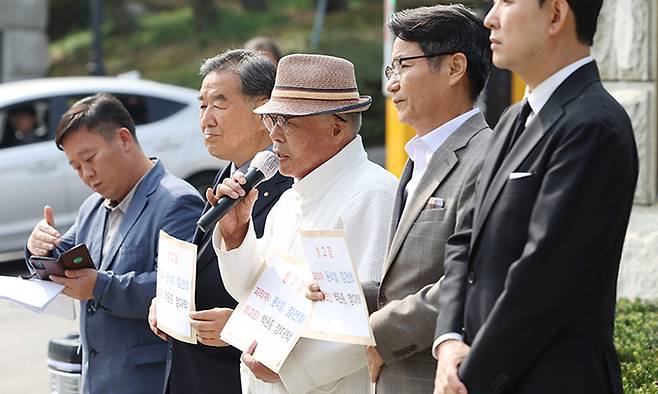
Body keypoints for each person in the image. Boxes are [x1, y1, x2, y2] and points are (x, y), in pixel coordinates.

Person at [433, 0, 638, 393]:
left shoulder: (593, 125)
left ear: (556, 15)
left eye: (507, 2)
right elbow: (464, 240)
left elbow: (544, 279)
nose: (489, 18)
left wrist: (467, 378)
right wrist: (448, 343)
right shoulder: (513, 119)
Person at [212, 53, 398, 393]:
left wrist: (288, 367)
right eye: (272, 121)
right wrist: (237, 233)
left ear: (336, 127)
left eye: (288, 121)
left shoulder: (373, 194)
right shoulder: (290, 198)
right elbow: (247, 291)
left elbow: (373, 322)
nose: (275, 135)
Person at [352, 5, 492, 393]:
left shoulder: (486, 158)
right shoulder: (417, 159)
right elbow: (405, 277)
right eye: (390, 70)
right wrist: (341, 291)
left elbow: (473, 275)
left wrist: (378, 334)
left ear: (454, 68)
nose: (392, 84)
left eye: (403, 66)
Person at [25, 93, 204, 394]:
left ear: (123, 139)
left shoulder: (176, 201)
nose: (86, 174)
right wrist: (38, 246)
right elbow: (60, 256)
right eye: (76, 167)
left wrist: (99, 286)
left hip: (149, 381)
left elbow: (177, 292)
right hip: (97, 379)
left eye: (90, 158)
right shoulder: (93, 207)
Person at [148, 49, 293, 394]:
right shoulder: (224, 176)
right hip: (188, 373)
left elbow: (298, 294)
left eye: (219, 104)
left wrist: (241, 326)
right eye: (202, 106)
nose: (206, 120)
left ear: (263, 111)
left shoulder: (290, 188)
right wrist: (168, 303)